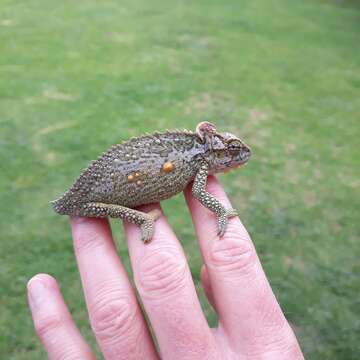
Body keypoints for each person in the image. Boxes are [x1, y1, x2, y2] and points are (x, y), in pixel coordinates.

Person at [27, 177, 304, 359]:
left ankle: (139, 217)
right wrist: (221, 211)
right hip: (119, 184)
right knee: (109, 208)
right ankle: (141, 219)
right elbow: (198, 191)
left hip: (121, 183)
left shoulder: (199, 160)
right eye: (230, 150)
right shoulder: (200, 164)